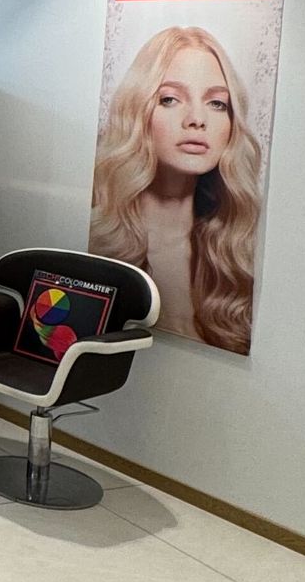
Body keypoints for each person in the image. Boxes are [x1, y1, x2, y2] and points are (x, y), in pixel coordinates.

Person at [89, 22, 262, 354]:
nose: (197, 119)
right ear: (138, 113)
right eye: (170, 99)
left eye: (217, 103)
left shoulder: (235, 251)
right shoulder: (104, 239)